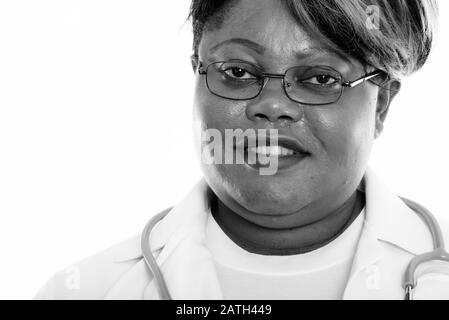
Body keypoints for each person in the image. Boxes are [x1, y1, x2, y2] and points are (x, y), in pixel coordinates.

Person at [35, 0, 449, 300]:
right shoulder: (83, 290)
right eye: (237, 71)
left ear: (381, 105)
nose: (271, 106)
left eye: (321, 78)